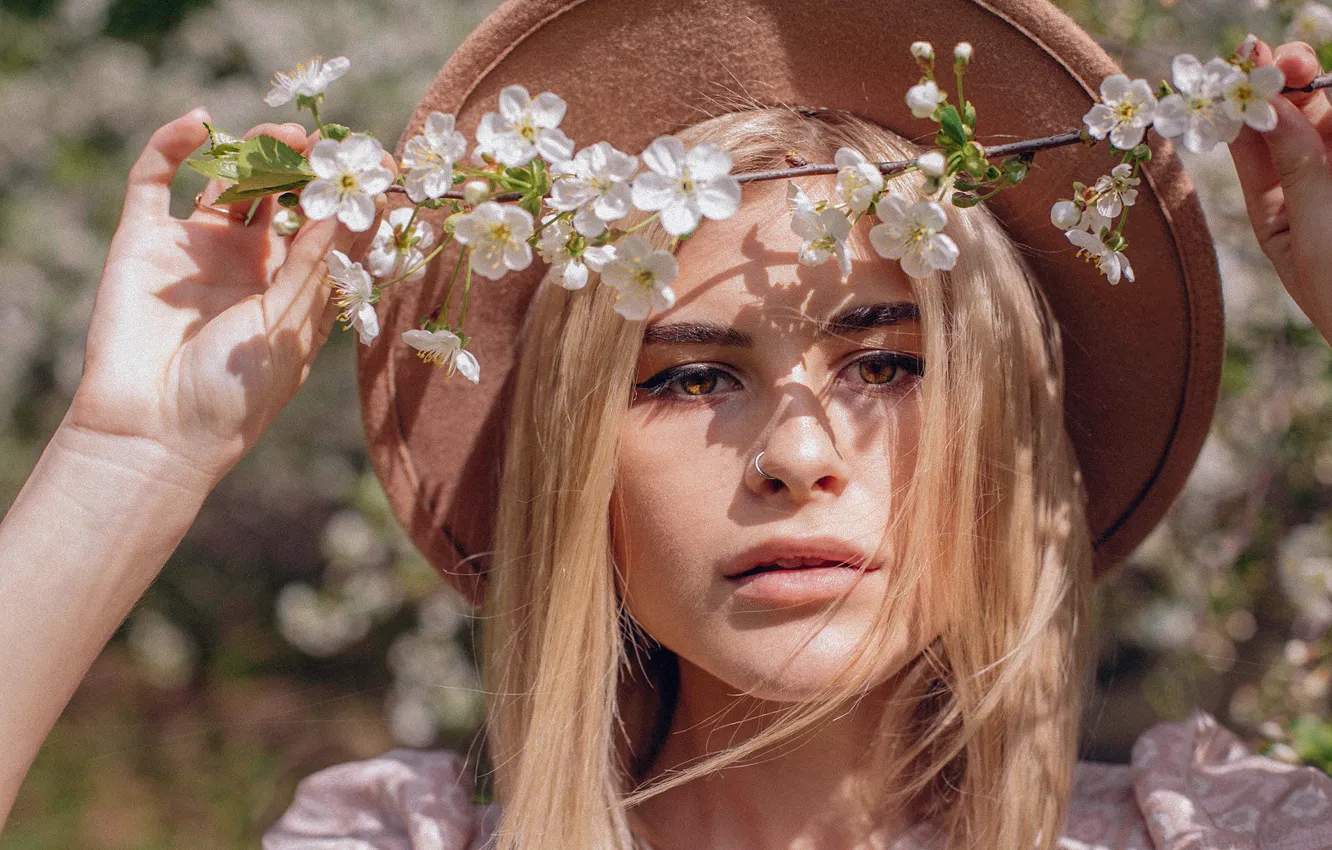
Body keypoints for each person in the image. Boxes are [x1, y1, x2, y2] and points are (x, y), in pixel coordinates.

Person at [2, 0, 1332, 847]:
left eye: (888, 362)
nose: (798, 456)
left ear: (1014, 428)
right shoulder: (389, 840)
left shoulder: (1216, 829)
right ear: (579, 468)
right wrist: (132, 455)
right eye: (689, 377)